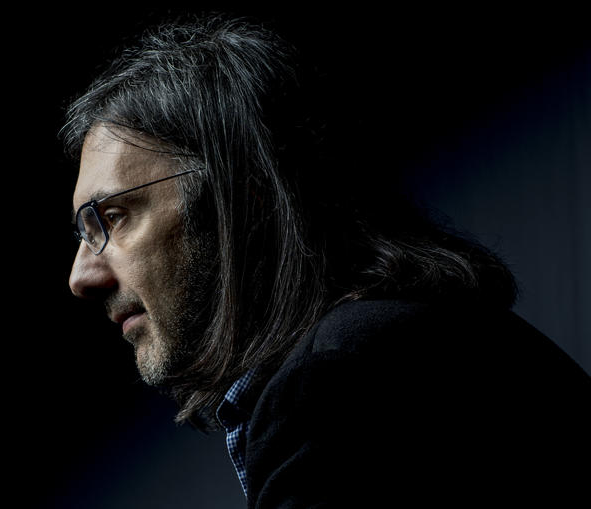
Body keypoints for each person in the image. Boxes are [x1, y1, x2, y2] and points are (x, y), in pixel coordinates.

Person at [63, 14, 590, 507]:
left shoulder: (344, 378)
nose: (80, 277)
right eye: (82, 232)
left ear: (245, 201)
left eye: (111, 217)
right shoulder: (412, 341)